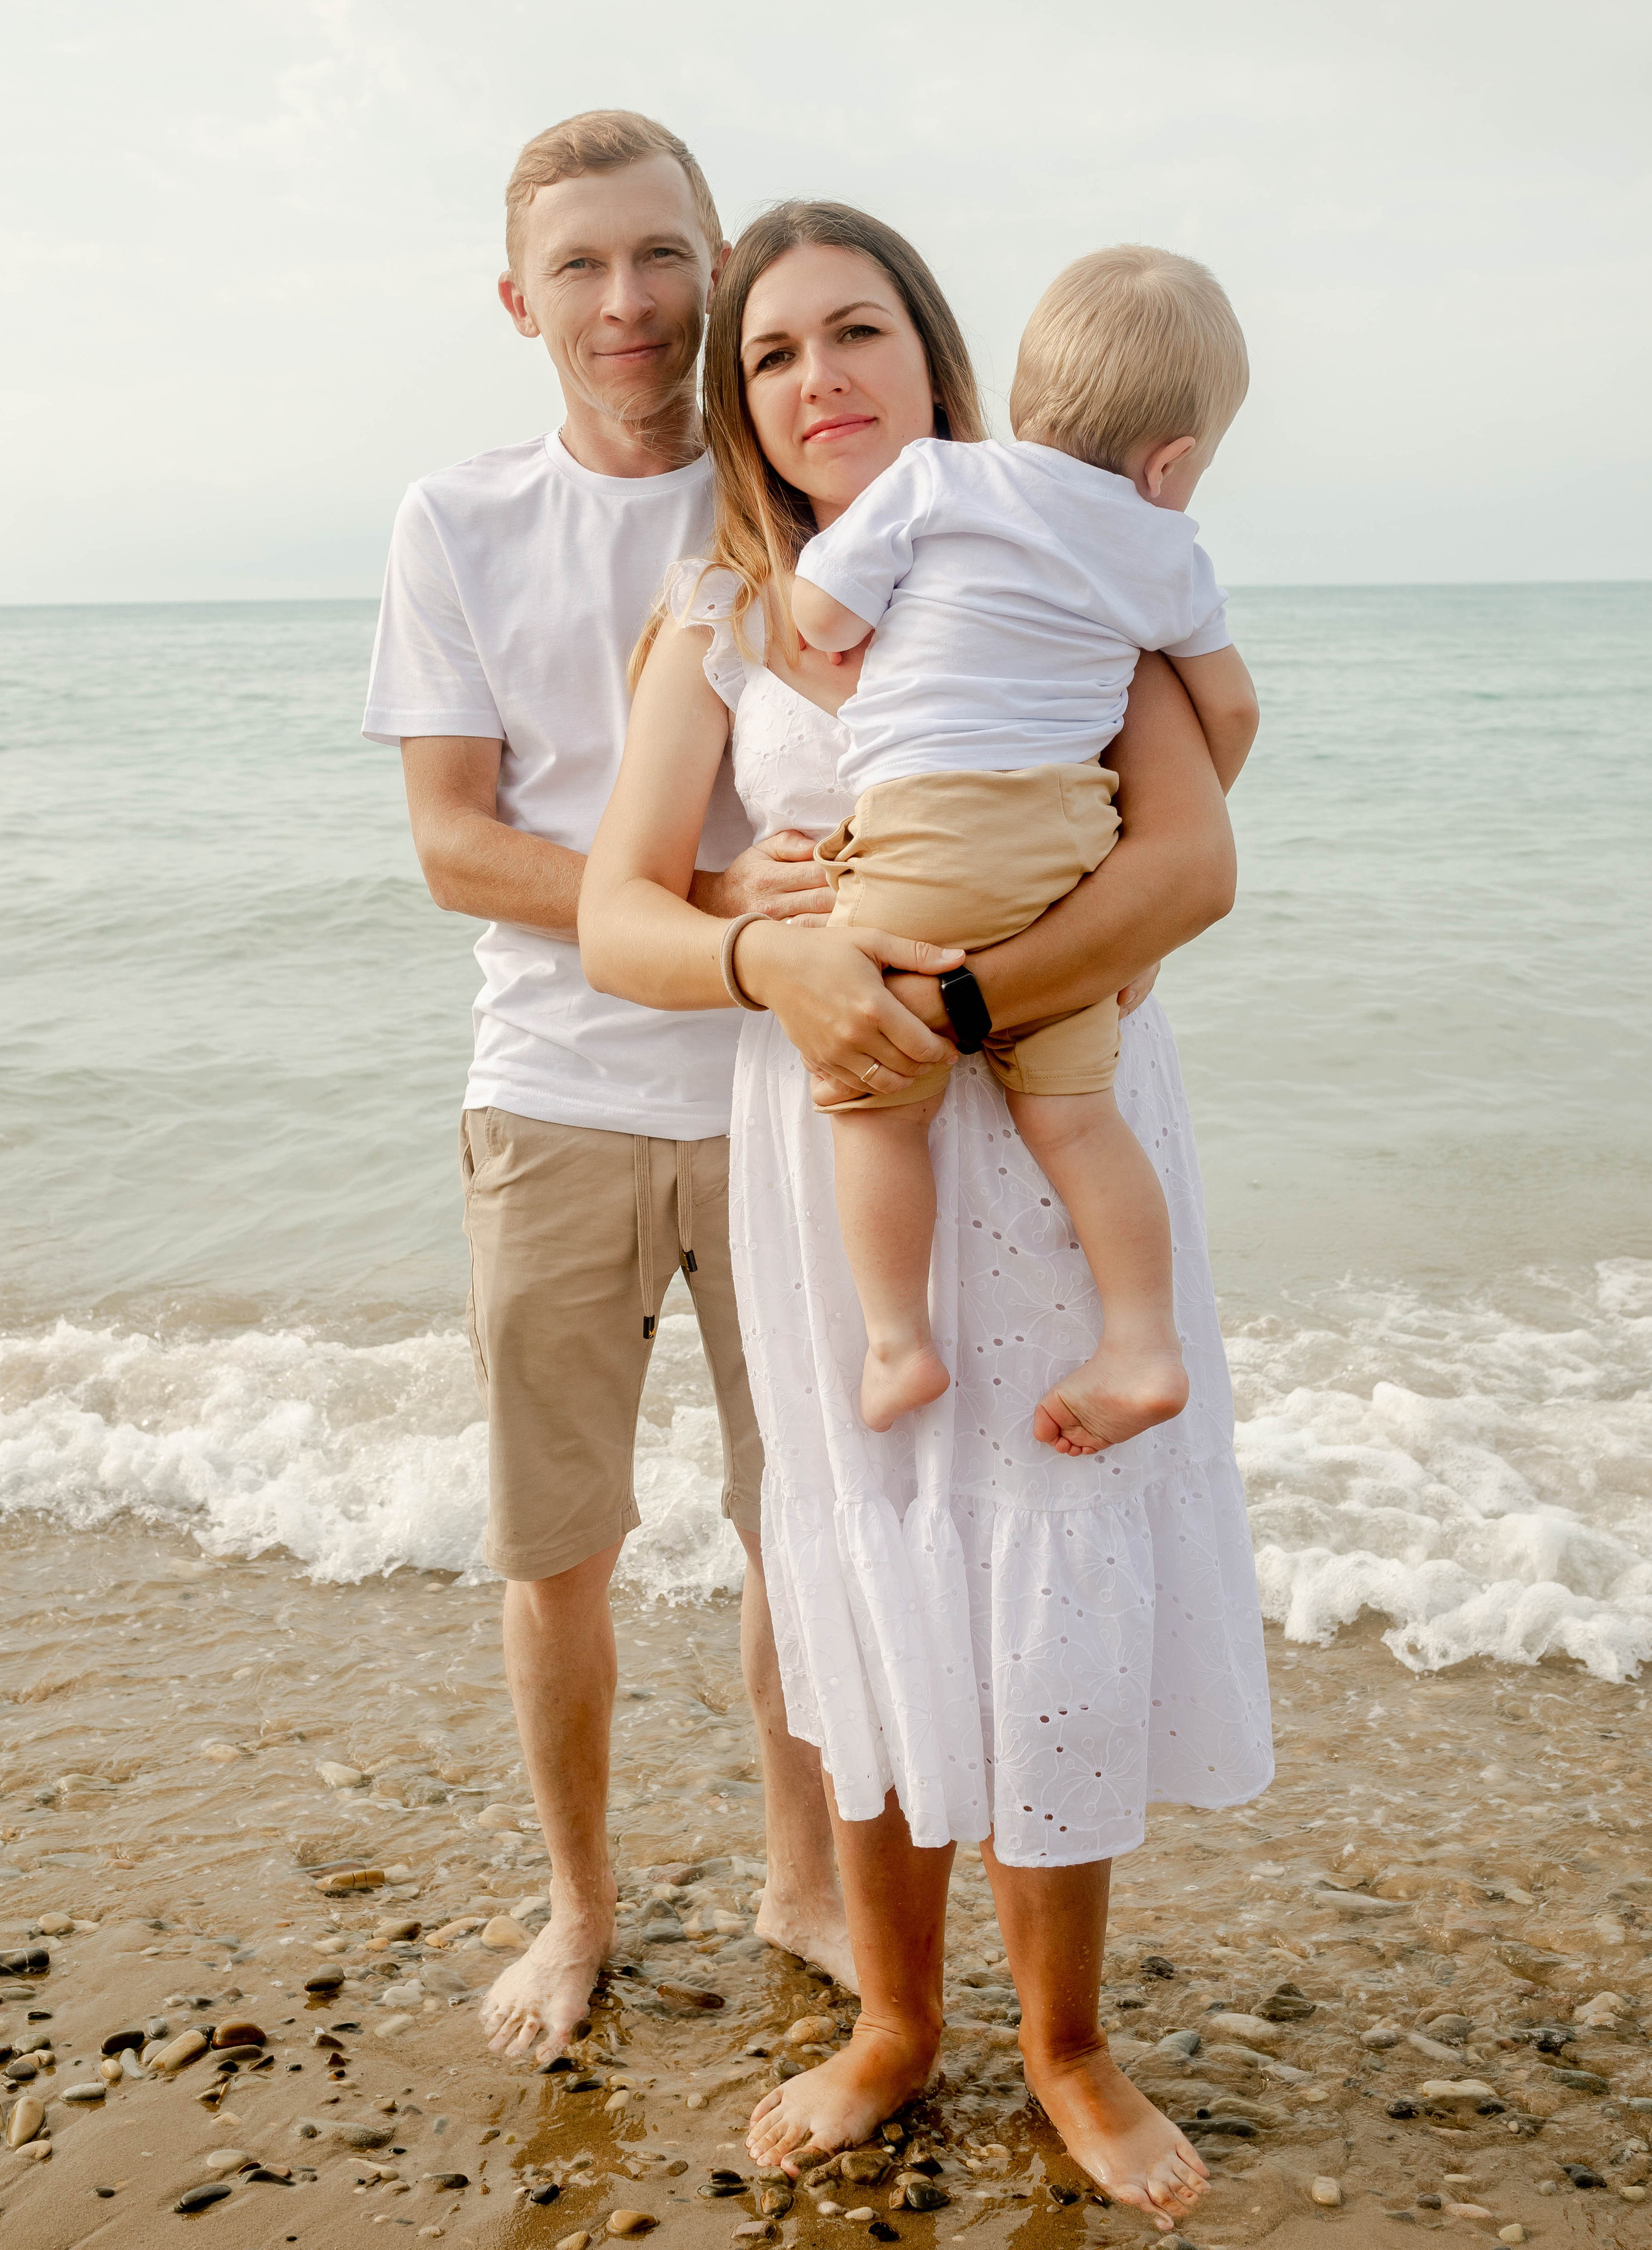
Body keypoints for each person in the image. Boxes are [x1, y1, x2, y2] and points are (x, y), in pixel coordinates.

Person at [579, 201, 1274, 2234]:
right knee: (873, 1557)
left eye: (857, 329)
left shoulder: (1059, 550)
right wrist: (767, 960)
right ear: (742, 404)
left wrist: (970, 1006)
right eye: (774, 352)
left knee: (1053, 1564)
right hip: (839, 1144)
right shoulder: (724, 613)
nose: (821, 377)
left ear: (935, 350)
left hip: (1050, 1121)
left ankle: (1068, 2040)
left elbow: (1191, 861)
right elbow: (619, 910)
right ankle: (892, 2022)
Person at [361, 111, 860, 2068]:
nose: (627, 301)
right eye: (580, 265)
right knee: (558, 1545)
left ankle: (801, 1881)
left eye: (660, 256)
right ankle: (579, 1908)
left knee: (799, 1524)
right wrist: (695, 901)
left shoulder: (799, 493)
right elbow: (452, 843)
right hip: (551, 1091)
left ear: (717, 266)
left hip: (782, 1091)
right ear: (521, 301)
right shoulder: (456, 521)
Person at [787, 245, 1260, 1447]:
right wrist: (1142, 846)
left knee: (876, 1105)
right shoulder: (1168, 553)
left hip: (928, 831)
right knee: (1079, 1116)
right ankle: (1143, 1343)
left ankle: (899, 1344)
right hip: (1070, 845)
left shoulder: (940, 478)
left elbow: (823, 615)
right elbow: (1232, 710)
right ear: (1172, 462)